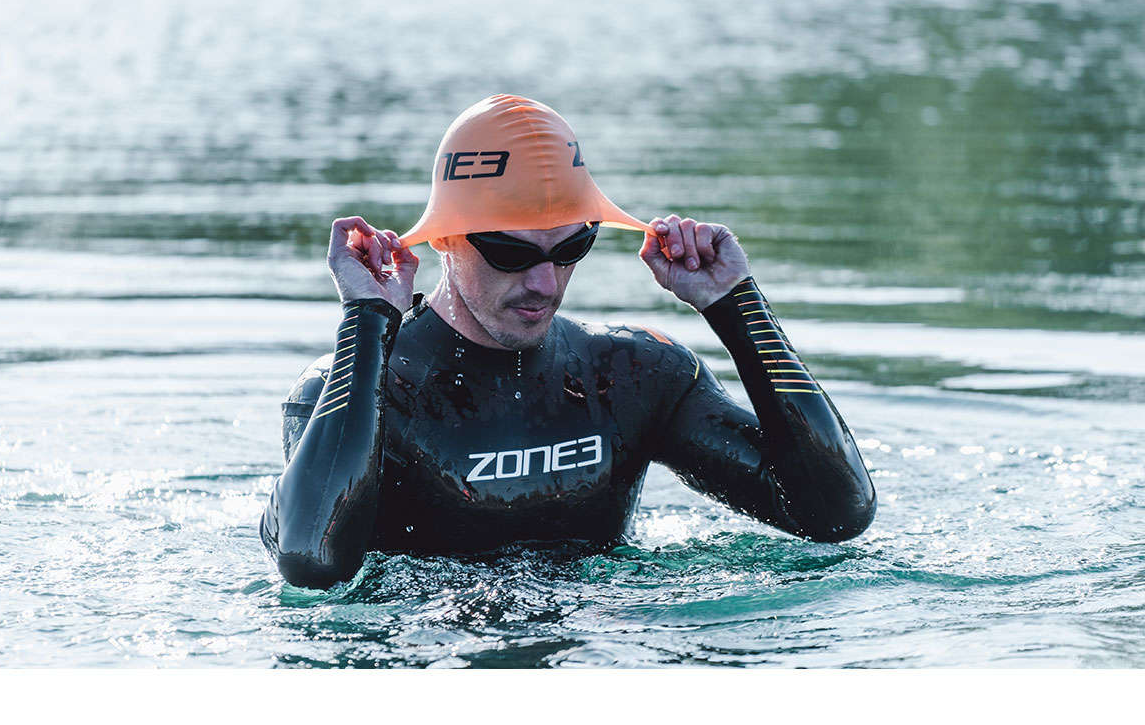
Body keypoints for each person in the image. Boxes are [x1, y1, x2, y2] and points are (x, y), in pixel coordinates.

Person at [260, 94, 876, 589]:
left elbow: (834, 513)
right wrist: (367, 321)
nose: (544, 282)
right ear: (444, 239)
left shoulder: (634, 375)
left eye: (571, 248)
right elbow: (313, 561)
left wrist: (735, 305)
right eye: (509, 253)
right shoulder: (358, 391)